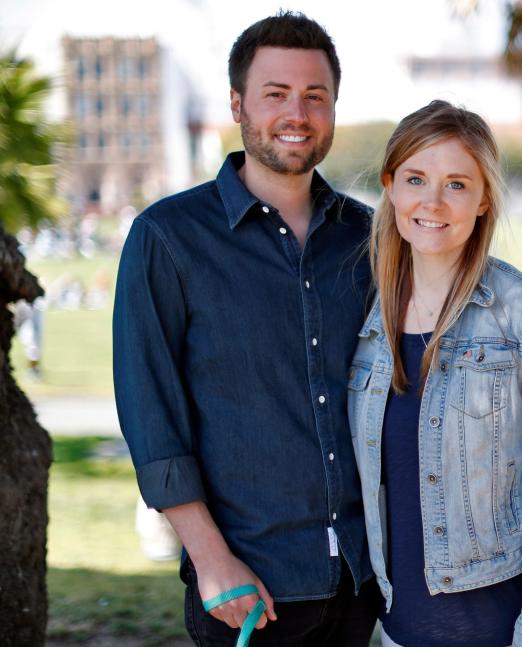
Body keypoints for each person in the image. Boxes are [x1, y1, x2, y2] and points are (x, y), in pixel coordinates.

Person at [113, 12, 380, 646]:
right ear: (238, 104)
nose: (298, 112)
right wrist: (210, 560)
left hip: (362, 582)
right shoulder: (168, 238)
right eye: (276, 94)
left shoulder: (371, 239)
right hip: (246, 586)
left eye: (315, 96)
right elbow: (152, 416)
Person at [348, 100, 522, 647]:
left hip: (499, 633)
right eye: (416, 178)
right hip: (395, 633)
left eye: (456, 184)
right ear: (390, 187)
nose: (432, 202)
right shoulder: (365, 318)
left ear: (484, 199)